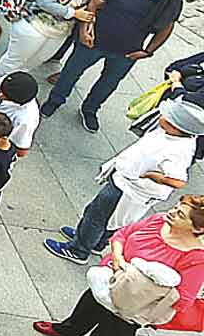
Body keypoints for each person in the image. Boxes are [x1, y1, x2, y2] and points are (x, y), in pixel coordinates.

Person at [35, 194, 204, 336]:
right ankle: (70, 330)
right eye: (175, 207)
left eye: (180, 214)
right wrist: (118, 258)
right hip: (109, 278)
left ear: (198, 228)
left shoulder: (195, 258)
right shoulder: (159, 220)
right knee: (87, 307)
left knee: (112, 335)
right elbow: (122, 234)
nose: (172, 212)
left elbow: (184, 299)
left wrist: (144, 291)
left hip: (135, 305)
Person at [46, 101, 202, 264]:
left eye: (166, 117)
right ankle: (94, 242)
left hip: (129, 189)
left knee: (96, 216)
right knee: (109, 219)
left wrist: (154, 177)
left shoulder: (176, 151)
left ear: (176, 127)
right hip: (127, 185)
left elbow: (178, 180)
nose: (161, 117)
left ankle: (78, 249)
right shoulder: (177, 137)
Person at [42, 0, 184, 130]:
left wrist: (147, 51)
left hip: (127, 52)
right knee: (70, 73)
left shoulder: (172, 0)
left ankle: (90, 109)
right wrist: (85, 29)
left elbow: (167, 27)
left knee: (108, 84)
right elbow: (94, 3)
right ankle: (54, 101)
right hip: (93, 42)